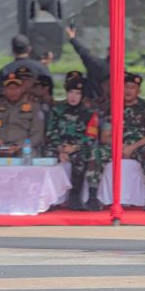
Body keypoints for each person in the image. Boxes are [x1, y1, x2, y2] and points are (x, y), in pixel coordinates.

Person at [87, 72, 145, 212]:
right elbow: (104, 136)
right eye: (126, 87)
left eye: (132, 87)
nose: (128, 90)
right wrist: (120, 146)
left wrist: (131, 147)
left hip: (138, 146)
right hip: (116, 145)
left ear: (138, 90)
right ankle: (92, 197)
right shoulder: (113, 107)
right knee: (96, 151)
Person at [45, 77, 99, 211]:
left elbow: (91, 136)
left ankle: (74, 197)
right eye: (71, 92)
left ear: (83, 96)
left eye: (78, 93)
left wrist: (74, 147)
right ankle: (49, 199)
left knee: (81, 159)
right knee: (48, 157)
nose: (73, 96)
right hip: (58, 146)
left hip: (78, 147)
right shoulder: (57, 109)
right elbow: (50, 132)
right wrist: (60, 148)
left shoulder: (90, 113)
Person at [0, 72, 44, 157]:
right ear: (4, 90)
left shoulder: (34, 107)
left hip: (22, 148)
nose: (13, 92)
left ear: (23, 88)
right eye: (9, 88)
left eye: (16, 88)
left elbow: (37, 136)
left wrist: (19, 145)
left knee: (29, 156)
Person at [65, 26, 109, 101]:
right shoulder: (121, 69)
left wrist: (72, 38)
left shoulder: (97, 65)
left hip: (95, 101)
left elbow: (84, 53)